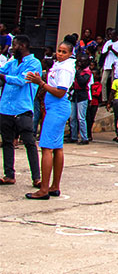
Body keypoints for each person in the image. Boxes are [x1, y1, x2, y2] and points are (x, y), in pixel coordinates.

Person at [24, 41, 75, 199]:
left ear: (70, 54)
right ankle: (54, 186)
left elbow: (60, 92)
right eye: (59, 51)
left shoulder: (66, 69)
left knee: (46, 147)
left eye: (64, 52)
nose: (60, 54)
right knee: (57, 147)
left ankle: (44, 189)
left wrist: (41, 84)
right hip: (55, 107)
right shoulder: (59, 65)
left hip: (58, 107)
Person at [0, 35, 41, 187]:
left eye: (15, 45)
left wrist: (3, 77)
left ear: (23, 45)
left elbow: (21, 80)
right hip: (6, 107)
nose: (12, 48)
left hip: (22, 108)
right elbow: (2, 70)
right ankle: (9, 175)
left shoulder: (33, 63)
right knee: (7, 142)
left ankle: (36, 177)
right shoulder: (12, 62)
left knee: (29, 142)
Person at [68, 55, 92, 145]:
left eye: (83, 61)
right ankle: (73, 136)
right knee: (72, 117)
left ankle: (84, 138)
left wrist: (77, 73)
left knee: (81, 118)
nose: (81, 63)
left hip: (82, 95)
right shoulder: (78, 71)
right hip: (75, 94)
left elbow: (82, 82)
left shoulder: (87, 72)